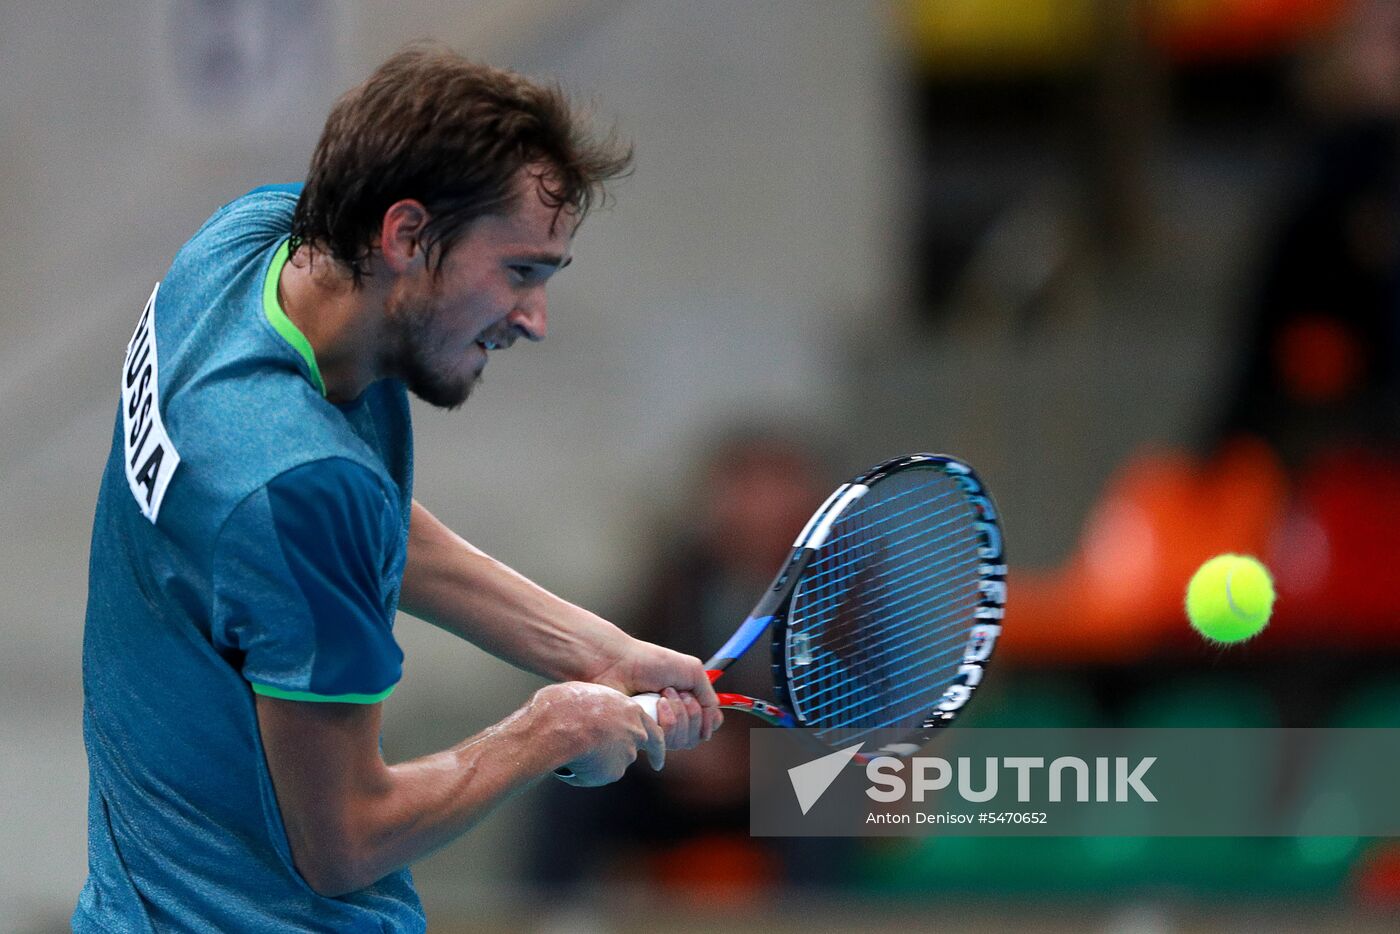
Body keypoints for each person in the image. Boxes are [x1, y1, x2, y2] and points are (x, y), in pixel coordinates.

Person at [74, 44, 720, 932]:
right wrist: (550, 732)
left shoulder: (242, 248)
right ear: (407, 235)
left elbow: (366, 528)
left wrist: (594, 650)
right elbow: (343, 840)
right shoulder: (297, 484)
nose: (534, 320)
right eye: (520, 271)